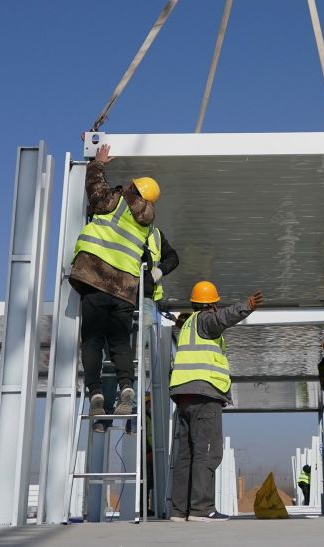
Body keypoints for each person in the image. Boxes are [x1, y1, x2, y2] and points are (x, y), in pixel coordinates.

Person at [69, 143, 179, 428]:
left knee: (92, 340)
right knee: (119, 342)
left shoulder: (116, 202)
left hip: (95, 278)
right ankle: (127, 387)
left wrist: (98, 163)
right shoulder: (146, 225)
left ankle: (95, 392)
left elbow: (94, 190)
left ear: (133, 189)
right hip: (125, 291)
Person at [169, 281, 263, 523]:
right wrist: (246, 307)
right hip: (204, 394)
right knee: (207, 453)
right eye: (216, 305)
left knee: (185, 456)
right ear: (212, 304)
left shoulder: (188, 325)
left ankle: (179, 511)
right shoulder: (205, 320)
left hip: (184, 395)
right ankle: (201, 509)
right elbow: (221, 319)